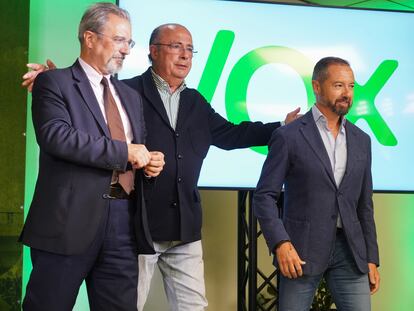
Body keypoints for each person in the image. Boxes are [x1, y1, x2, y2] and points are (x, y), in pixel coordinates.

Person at [22, 23, 300, 311]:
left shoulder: (195, 101)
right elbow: (84, 120)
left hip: (185, 226)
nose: (185, 55)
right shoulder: (125, 92)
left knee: (192, 306)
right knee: (130, 303)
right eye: (176, 47)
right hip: (138, 224)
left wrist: (281, 128)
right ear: (152, 51)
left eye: (190, 49)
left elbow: (231, 135)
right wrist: (56, 80)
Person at [19, 3, 164, 311]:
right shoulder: (53, 82)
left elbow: (135, 153)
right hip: (66, 224)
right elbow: (58, 138)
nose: (126, 50)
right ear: (90, 38)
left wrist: (149, 163)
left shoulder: (130, 96)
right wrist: (126, 151)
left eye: (130, 42)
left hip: (123, 224)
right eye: (119, 40)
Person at [253, 57, 380, 311]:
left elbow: (364, 205)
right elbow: (264, 196)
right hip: (300, 251)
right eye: (338, 85)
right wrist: (281, 243)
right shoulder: (288, 136)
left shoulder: (361, 140)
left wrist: (372, 258)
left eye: (351, 86)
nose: (347, 93)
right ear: (317, 87)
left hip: (350, 251)